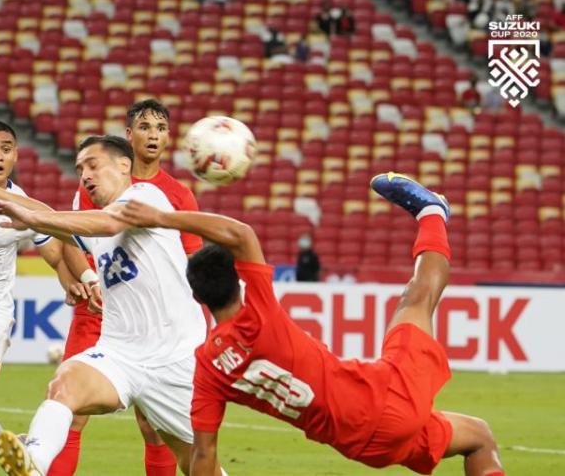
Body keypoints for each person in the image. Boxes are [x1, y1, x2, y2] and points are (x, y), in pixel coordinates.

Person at [109, 172, 506, 476]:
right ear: (240, 278)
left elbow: (203, 453)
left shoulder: (209, 368)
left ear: (197, 297)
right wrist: (162, 216)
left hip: (362, 447)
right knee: (417, 300)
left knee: (477, 436)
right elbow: (241, 233)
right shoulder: (259, 312)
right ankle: (432, 212)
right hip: (381, 398)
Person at [0, 136, 222, 476]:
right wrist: (24, 212)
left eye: (93, 165)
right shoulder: (97, 223)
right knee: (65, 383)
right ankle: (34, 460)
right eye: (80, 169)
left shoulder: (145, 197)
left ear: (124, 165)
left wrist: (31, 216)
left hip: (175, 358)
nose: (85, 176)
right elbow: (66, 222)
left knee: (197, 464)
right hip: (120, 354)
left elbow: (107, 223)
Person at [53, 99, 203, 476]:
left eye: (160, 127)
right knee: (69, 411)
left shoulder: (178, 194)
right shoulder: (95, 178)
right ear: (128, 136)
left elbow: (191, 261)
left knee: (156, 429)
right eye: (145, 126)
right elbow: (73, 237)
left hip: (155, 326)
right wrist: (83, 279)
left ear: (168, 137)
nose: (153, 134)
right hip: (97, 316)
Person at [0, 121, 85, 475]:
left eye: (5, 148)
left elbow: (54, 245)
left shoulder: (23, 206)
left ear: (16, 156)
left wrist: (69, 279)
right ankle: (7, 441)